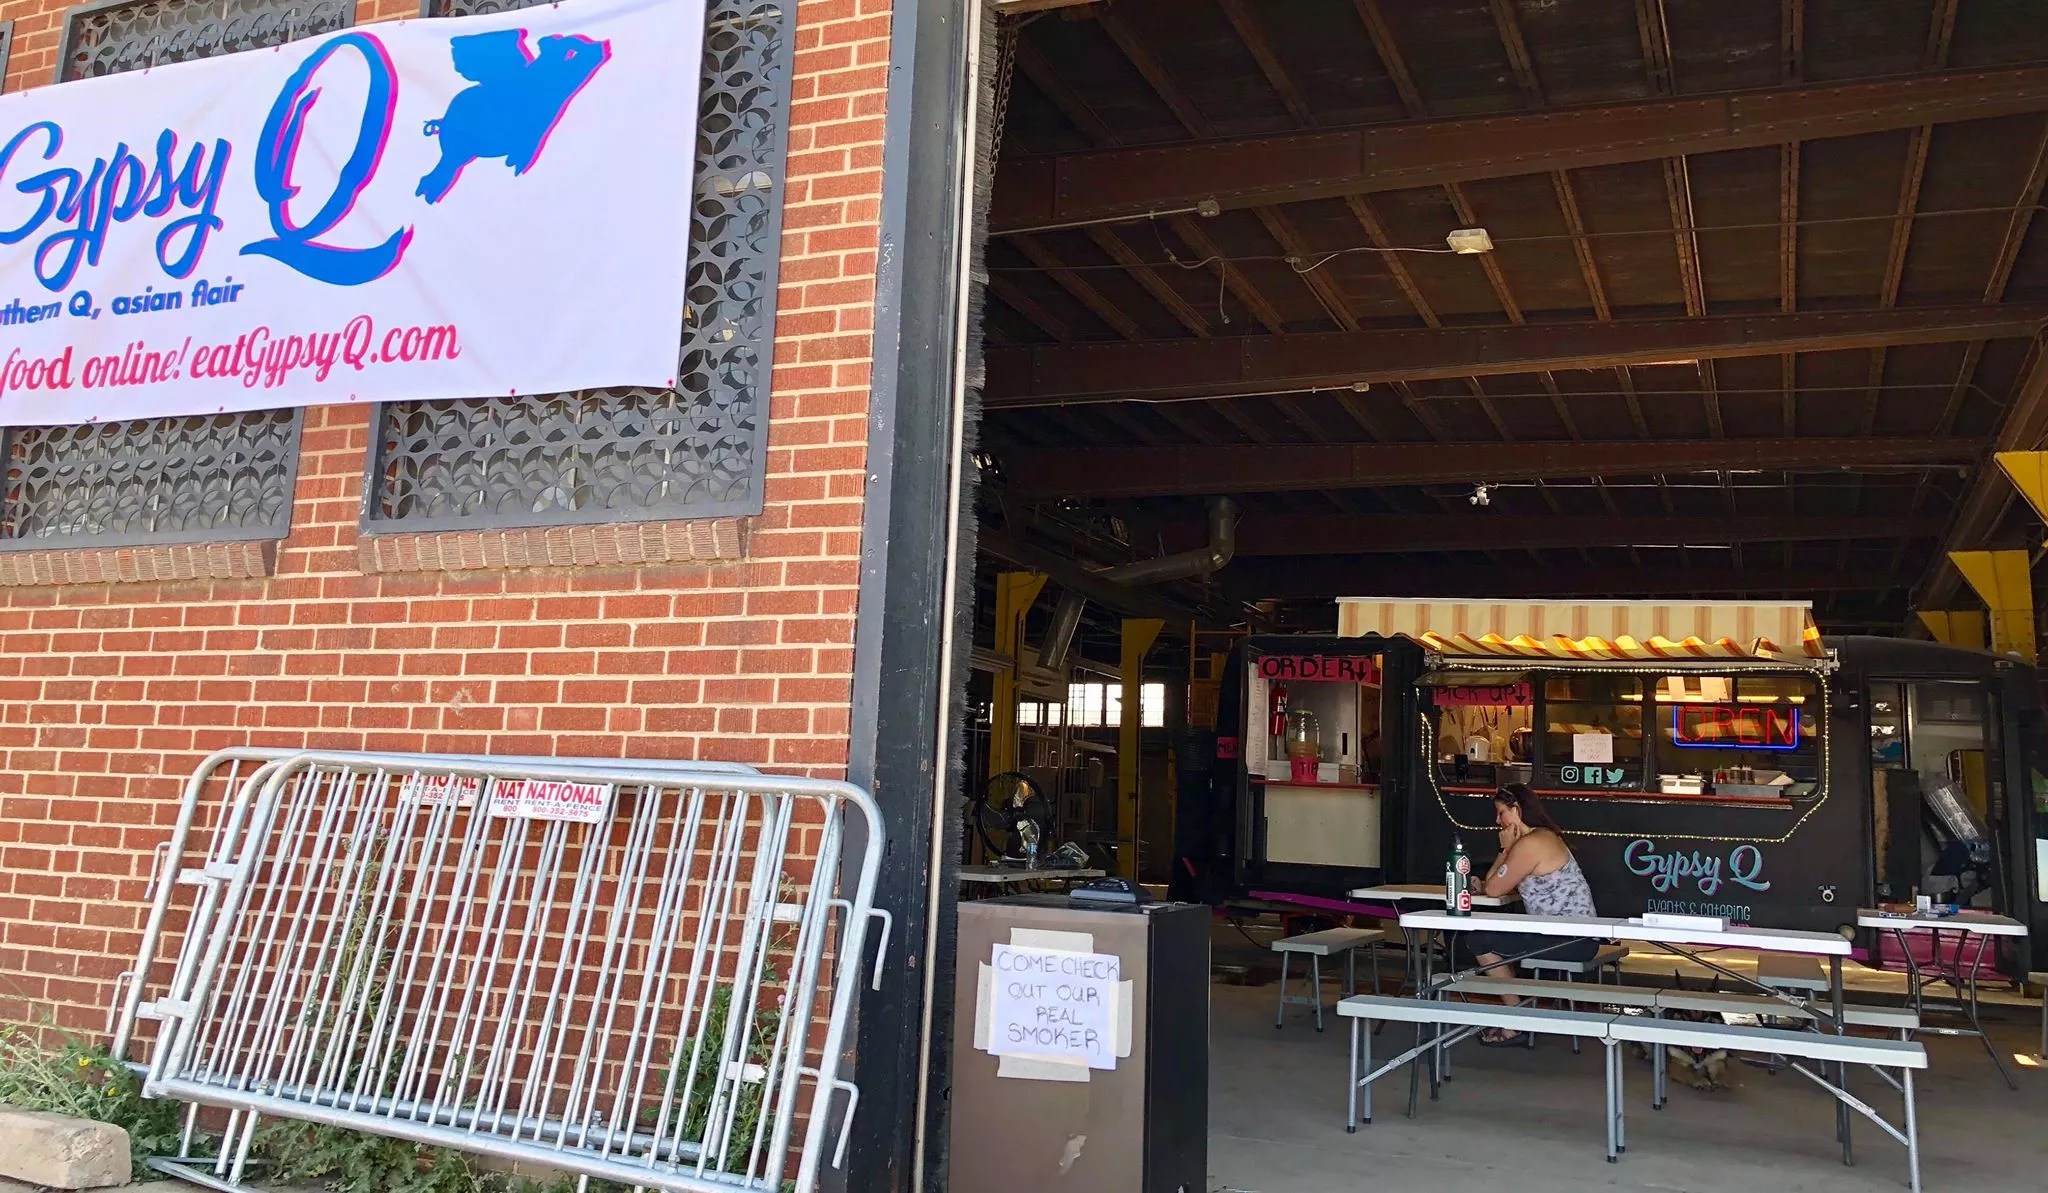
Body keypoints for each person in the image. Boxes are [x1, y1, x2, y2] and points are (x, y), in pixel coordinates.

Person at [1463, 782, 1601, 1046]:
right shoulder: (1541, 837)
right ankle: (1519, 1014)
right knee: (1486, 936)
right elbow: (1495, 882)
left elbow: (1493, 888)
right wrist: (1501, 864)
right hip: (1576, 936)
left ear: (1516, 810)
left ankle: (1517, 1021)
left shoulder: (1532, 843)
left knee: (1479, 940)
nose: (1497, 821)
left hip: (1569, 940)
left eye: (1501, 813)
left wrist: (1505, 850)